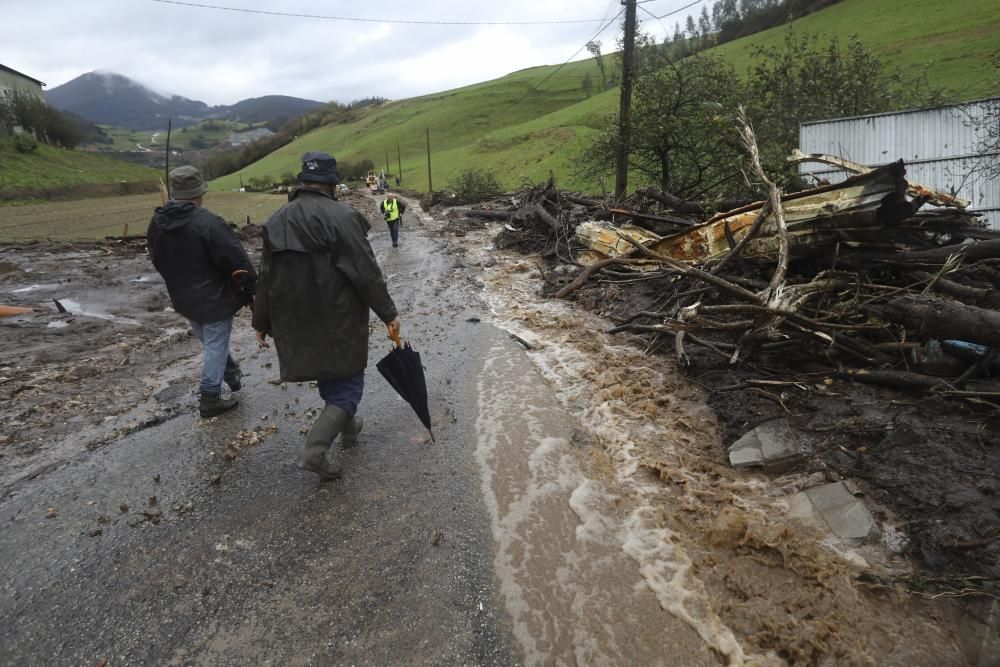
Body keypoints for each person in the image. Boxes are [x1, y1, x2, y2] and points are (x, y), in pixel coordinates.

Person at [253, 152, 401, 480]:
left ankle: (350, 427)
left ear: (303, 182)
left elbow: (266, 276)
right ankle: (314, 451)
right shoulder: (342, 216)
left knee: (330, 374)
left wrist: (261, 321)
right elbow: (365, 271)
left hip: (295, 319)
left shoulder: (276, 220)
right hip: (336, 316)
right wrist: (388, 313)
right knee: (347, 385)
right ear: (332, 184)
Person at [147, 165, 256, 418]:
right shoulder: (208, 222)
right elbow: (236, 259)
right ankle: (210, 397)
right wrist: (253, 289)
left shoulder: (157, 223)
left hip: (182, 297)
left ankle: (231, 374)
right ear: (200, 192)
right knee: (215, 344)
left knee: (212, 342)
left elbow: (156, 258)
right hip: (214, 297)